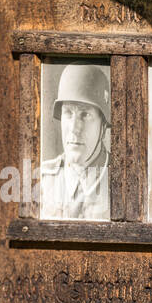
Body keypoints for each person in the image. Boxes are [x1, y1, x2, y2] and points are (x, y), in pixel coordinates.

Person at [40, 64, 110, 220]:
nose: (74, 128)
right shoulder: (42, 179)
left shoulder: (121, 180)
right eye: (68, 113)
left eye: (85, 115)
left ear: (103, 126)